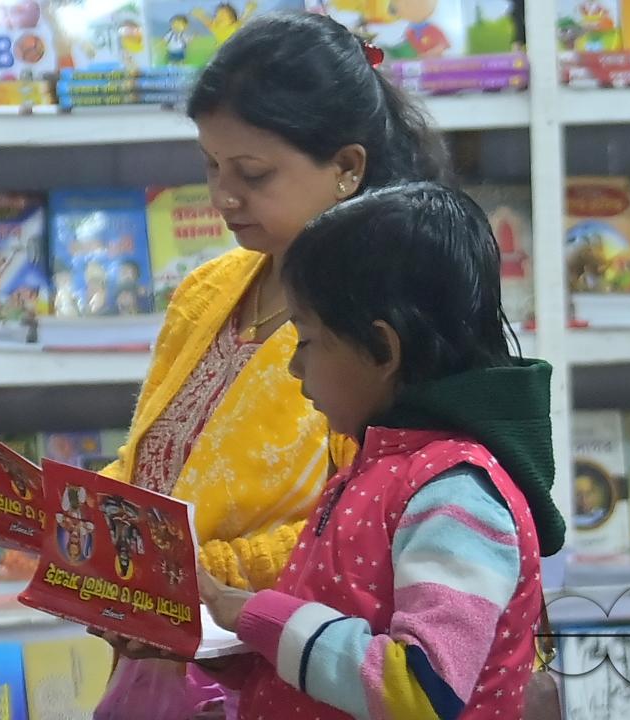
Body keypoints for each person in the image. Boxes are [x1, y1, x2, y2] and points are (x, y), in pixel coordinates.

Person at [0, 11, 447, 719]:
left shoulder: (383, 324)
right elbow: (151, 474)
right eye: (210, 165)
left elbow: (363, 526)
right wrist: (31, 512)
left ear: (347, 169)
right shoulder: (209, 290)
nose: (222, 197)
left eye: (253, 173)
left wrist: (189, 586)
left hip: (284, 678)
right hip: (168, 669)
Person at [198, 183, 566, 720]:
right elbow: (342, 638)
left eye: (305, 340)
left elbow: (420, 690)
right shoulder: (379, 467)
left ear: (383, 348)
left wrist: (260, 616)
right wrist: (236, 648)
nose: (294, 368)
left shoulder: (455, 493)